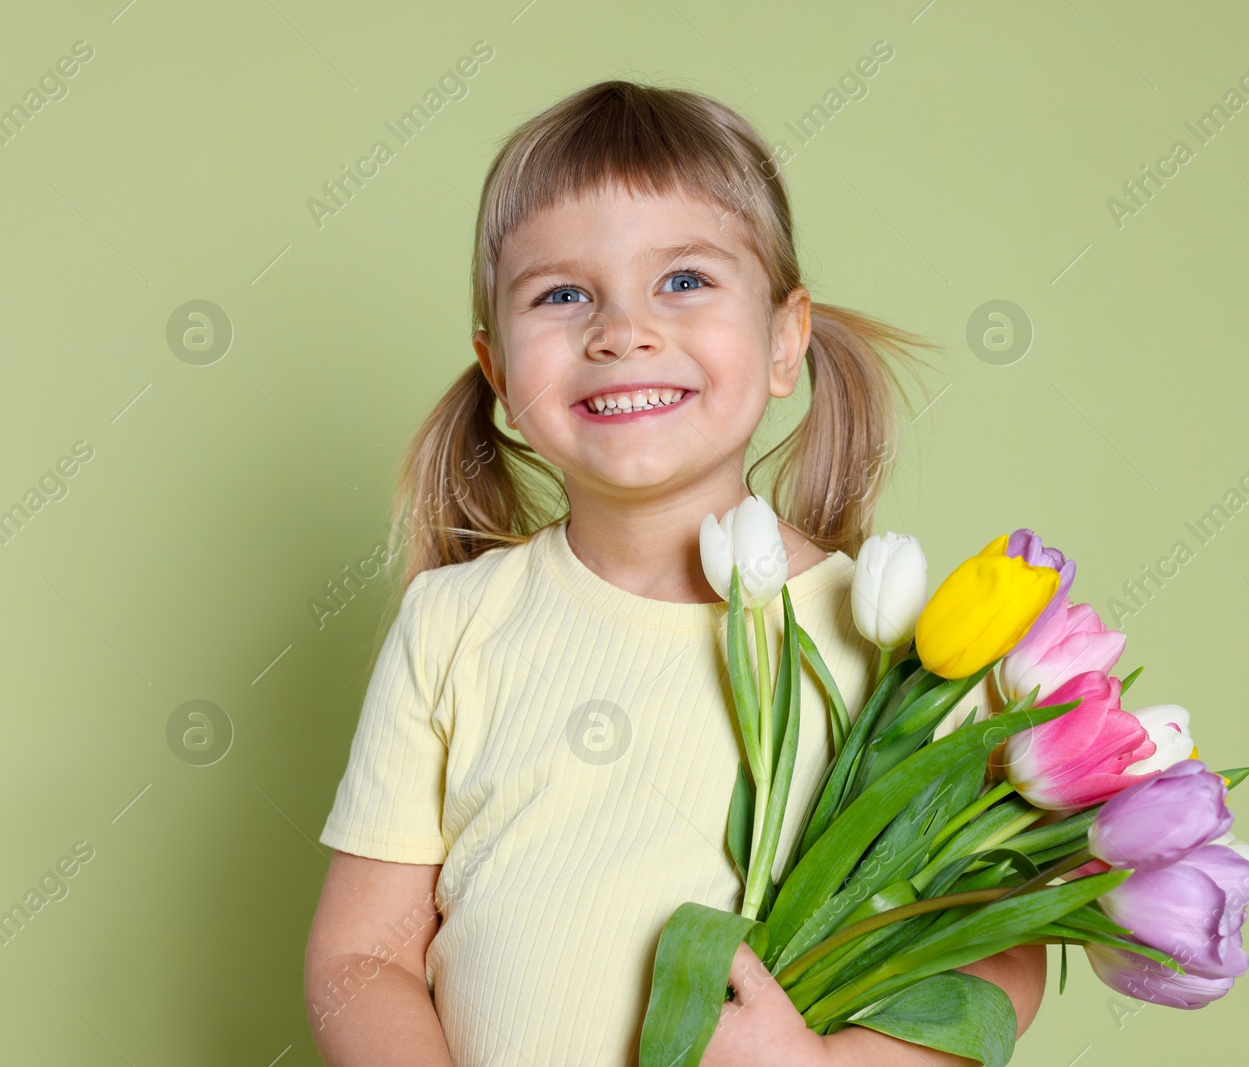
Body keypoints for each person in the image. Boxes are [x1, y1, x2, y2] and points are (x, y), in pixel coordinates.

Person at [302, 78, 1044, 1066]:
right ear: (498, 372)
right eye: (562, 294)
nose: (620, 329)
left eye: (684, 279)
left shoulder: (905, 647)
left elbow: (997, 944)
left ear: (784, 340)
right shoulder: (452, 622)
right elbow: (360, 951)